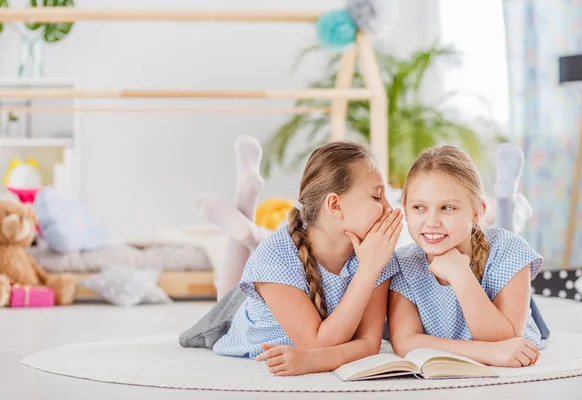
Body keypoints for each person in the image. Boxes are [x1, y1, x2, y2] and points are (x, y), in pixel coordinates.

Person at [188, 138, 404, 376]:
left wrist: (314, 359)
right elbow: (317, 344)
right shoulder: (275, 257)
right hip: (238, 315)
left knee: (260, 249)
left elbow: (368, 344)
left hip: (284, 282)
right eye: (377, 197)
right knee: (226, 297)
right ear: (334, 205)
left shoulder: (376, 254)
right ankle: (245, 201)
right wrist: (368, 271)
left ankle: (250, 230)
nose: (389, 208)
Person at [387, 144, 543, 368]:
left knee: (508, 231)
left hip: (517, 313)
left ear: (477, 210)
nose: (431, 222)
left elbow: (508, 341)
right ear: (405, 208)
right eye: (419, 207)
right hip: (477, 322)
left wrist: (460, 274)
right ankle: (505, 203)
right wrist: (486, 353)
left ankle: (507, 202)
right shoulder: (404, 262)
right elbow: (404, 342)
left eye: (447, 208)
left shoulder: (509, 250)